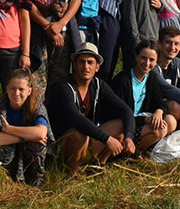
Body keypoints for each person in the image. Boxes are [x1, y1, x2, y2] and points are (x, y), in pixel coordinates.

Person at [49, 45, 133, 173]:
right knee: (78, 134)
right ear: (74, 65)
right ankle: (71, 173)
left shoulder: (99, 85)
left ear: (97, 67)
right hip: (62, 144)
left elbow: (125, 110)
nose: (86, 67)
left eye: (90, 62)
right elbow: (75, 118)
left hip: (88, 139)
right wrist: (107, 139)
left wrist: (129, 137)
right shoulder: (64, 87)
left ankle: (98, 166)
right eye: (81, 62)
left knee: (121, 125)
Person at [0, 70, 51, 186]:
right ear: (6, 88)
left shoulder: (36, 106)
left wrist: (9, 129)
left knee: (37, 144)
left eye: (21, 89)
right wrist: (25, 137)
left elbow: (41, 133)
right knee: (0, 147)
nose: (16, 93)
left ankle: (34, 181)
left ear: (29, 91)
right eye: (12, 88)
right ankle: (5, 178)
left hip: (27, 152)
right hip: (8, 153)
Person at [113, 43, 177, 152]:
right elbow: (120, 114)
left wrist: (159, 111)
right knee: (160, 130)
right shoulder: (123, 80)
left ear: (156, 62)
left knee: (171, 121)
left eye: (151, 60)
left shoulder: (151, 77)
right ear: (136, 56)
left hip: (141, 119)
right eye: (143, 58)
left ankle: (145, 148)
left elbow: (160, 102)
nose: (147, 63)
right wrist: (146, 120)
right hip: (126, 125)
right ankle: (129, 151)